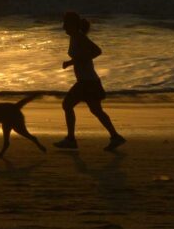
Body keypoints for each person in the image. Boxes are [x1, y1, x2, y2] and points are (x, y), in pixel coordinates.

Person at [54, 12, 126, 151]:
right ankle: (115, 137)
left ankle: (70, 140)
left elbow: (97, 51)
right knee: (96, 110)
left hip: (87, 82)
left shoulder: (79, 37)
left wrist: (74, 61)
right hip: (88, 81)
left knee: (67, 105)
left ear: (73, 25)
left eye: (65, 23)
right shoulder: (75, 37)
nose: (63, 27)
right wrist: (73, 61)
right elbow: (84, 55)